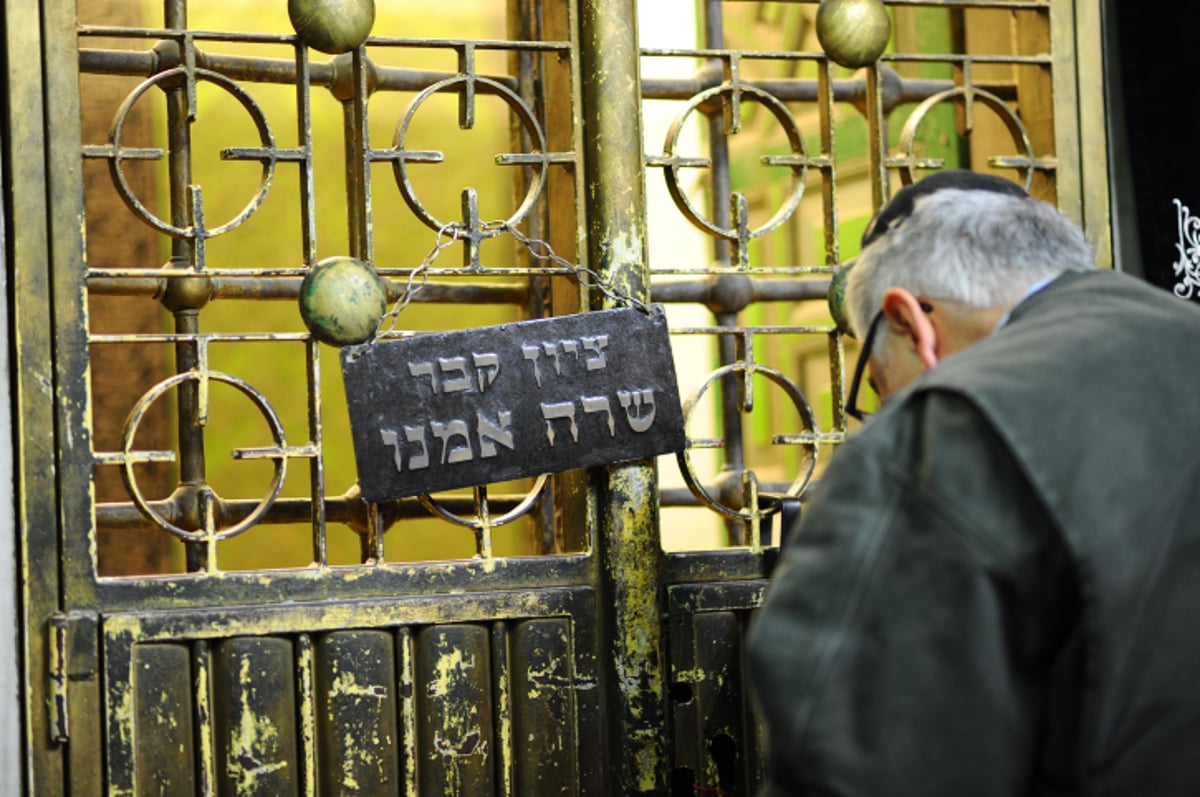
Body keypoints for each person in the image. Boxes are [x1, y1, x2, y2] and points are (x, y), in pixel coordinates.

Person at [745, 170, 1200, 796]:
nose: (887, 408)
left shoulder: (944, 434)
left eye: (877, 385)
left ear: (910, 321)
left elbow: (862, 770)